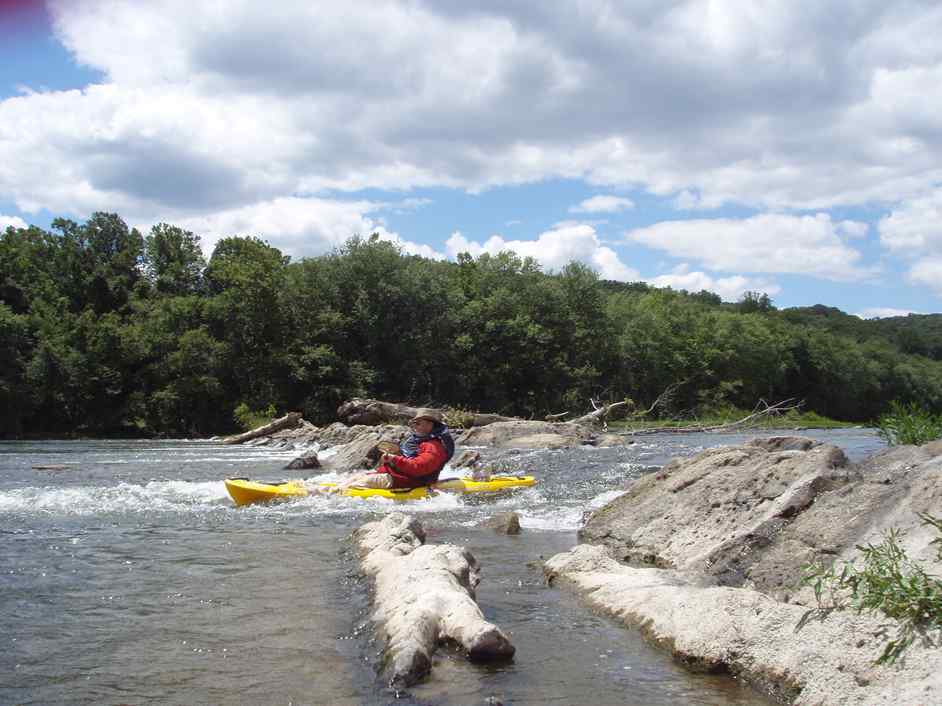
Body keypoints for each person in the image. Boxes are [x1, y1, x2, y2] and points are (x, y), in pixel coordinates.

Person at [337, 409, 456, 491]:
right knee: (356, 477)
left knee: (352, 486)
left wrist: (394, 458)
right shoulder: (421, 442)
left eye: (418, 423)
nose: (414, 426)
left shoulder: (433, 447)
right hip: (397, 476)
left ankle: (335, 492)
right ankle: (334, 489)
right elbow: (411, 459)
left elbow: (418, 467)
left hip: (407, 480)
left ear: (430, 425)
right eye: (414, 423)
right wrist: (397, 454)